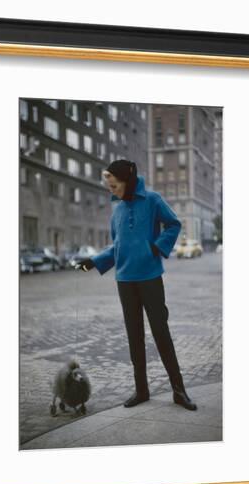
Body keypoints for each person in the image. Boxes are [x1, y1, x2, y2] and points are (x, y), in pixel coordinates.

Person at [78, 159, 197, 410]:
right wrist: (94, 261)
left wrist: (157, 246)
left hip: (150, 278)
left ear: (127, 181)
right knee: (134, 337)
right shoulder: (117, 210)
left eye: (114, 185)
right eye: (109, 187)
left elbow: (174, 223)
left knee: (161, 334)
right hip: (125, 281)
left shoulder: (152, 200)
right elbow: (117, 246)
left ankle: (179, 391)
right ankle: (141, 390)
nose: (111, 190)